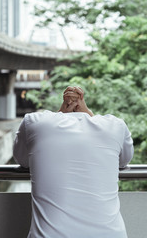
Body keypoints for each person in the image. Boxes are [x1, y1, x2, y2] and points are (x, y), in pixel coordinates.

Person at [13, 86, 134, 238]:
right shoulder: (116, 126)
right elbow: (123, 161)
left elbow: (22, 159)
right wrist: (88, 114)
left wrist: (60, 114)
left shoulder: (34, 122)